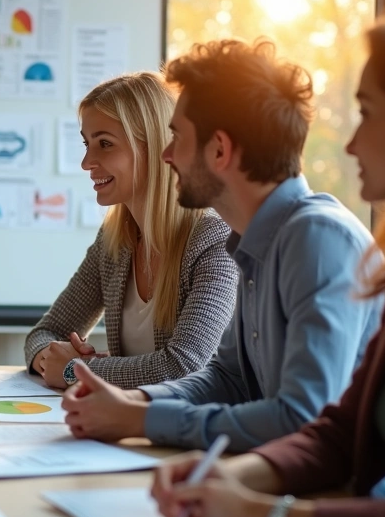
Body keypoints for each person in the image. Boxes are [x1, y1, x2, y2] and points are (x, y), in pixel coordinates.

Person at [151, 11, 385, 517]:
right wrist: (229, 477)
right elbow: (340, 432)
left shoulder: (321, 238)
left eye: (368, 113)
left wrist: (259, 514)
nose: (349, 140)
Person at [61, 38, 383, 453]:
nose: (167, 155)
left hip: (343, 502)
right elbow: (227, 378)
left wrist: (141, 418)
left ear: (219, 149)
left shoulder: (317, 239)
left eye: (177, 136)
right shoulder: (254, 243)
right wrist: (134, 400)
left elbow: (301, 419)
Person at [25, 72, 238, 389]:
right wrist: (50, 358)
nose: (87, 162)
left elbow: (183, 368)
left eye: (105, 144)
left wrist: (76, 371)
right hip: (129, 428)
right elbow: (45, 333)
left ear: (154, 147)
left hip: (195, 434)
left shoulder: (214, 240)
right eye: (87, 144)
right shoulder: (114, 243)